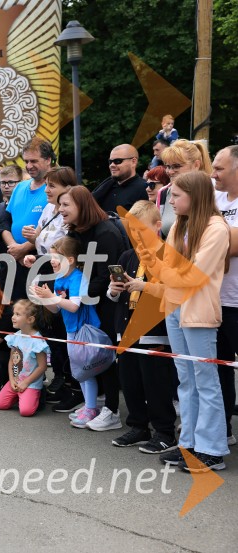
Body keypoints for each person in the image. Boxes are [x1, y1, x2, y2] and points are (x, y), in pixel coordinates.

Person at [140, 171, 230, 471]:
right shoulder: (181, 223)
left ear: (196, 195)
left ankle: (212, 449)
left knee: (206, 381)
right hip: (176, 307)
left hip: (199, 310)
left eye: (176, 196)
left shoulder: (217, 228)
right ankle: (189, 443)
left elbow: (192, 275)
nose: (171, 201)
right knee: (186, 380)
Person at [107, 200, 178, 453]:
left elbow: (174, 292)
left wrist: (144, 286)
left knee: (156, 383)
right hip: (125, 329)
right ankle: (138, 426)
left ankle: (164, 431)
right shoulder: (127, 256)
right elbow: (114, 296)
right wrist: (113, 291)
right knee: (130, 381)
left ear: (157, 226)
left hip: (154, 332)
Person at [57, 186, 124, 423]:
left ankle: (112, 410)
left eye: (66, 205)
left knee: (103, 354)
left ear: (82, 206)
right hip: (85, 302)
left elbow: (106, 275)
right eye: (60, 204)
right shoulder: (75, 233)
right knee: (88, 355)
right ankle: (93, 405)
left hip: (107, 302)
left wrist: (76, 296)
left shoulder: (105, 233)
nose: (61, 209)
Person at [32, 237, 104, 428]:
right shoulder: (59, 278)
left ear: (70, 260)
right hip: (71, 330)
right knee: (78, 369)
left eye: (56, 257)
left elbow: (73, 306)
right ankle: (89, 406)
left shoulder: (78, 277)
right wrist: (44, 298)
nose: (52, 261)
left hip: (85, 330)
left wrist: (51, 297)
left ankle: (91, 407)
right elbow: (57, 310)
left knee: (85, 370)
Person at [21, 166, 76, 405]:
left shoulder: (69, 213)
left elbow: (63, 249)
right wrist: (32, 243)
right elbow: (42, 240)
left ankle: (71, 382)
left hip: (59, 274)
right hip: (42, 270)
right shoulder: (47, 208)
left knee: (60, 329)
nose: (47, 189)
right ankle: (60, 377)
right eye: (47, 184)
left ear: (67, 188)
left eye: (52, 185)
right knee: (49, 329)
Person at [1, 138, 54, 300]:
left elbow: (57, 228)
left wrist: (24, 248)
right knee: (16, 310)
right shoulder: (20, 187)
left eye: (34, 161)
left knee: (37, 313)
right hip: (16, 259)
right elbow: (5, 222)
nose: (29, 166)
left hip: (42, 260)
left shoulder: (54, 188)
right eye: (26, 161)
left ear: (48, 160)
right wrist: (14, 248)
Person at [212, 146, 238, 448]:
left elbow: (228, 248)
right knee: (217, 369)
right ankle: (223, 428)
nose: (213, 174)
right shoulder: (216, 198)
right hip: (215, 301)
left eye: (219, 168)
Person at [0, 299, 50, 417]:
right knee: (0, 404)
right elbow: (12, 360)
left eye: (18, 314)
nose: (13, 317)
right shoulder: (15, 337)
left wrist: (26, 382)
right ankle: (21, 397)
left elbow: (42, 367)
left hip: (30, 383)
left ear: (30, 320)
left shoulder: (37, 342)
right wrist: (11, 379)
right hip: (16, 380)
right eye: (14, 314)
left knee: (26, 412)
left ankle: (39, 394)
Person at [157, 139, 212, 237]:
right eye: (168, 166)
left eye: (176, 166)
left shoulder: (214, 192)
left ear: (196, 165)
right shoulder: (163, 192)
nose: (170, 171)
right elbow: (158, 234)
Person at [92, 144, 149, 213]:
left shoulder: (145, 189)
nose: (112, 165)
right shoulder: (105, 187)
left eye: (118, 161)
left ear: (133, 162)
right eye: (110, 162)